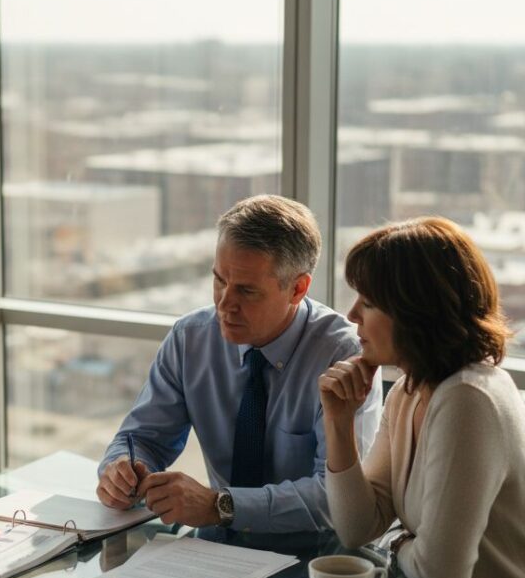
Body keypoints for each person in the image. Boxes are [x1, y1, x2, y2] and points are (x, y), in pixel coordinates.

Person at [319, 216, 525, 578]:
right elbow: (357, 527)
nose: (352, 314)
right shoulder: (409, 392)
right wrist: (339, 423)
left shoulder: (469, 399)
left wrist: (398, 542)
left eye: (368, 302)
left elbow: (439, 575)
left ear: (415, 313)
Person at [96, 195, 381, 533]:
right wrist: (122, 468)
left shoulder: (343, 354)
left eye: (247, 291)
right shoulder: (190, 339)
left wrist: (219, 505)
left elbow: (333, 498)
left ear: (297, 289)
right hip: (217, 543)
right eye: (219, 280)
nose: (225, 304)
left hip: (314, 553)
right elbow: (142, 437)